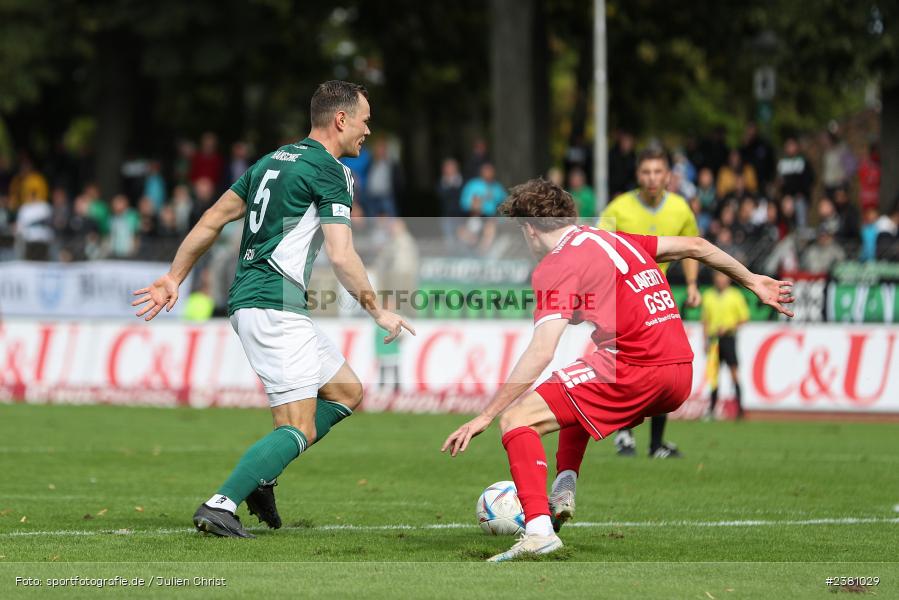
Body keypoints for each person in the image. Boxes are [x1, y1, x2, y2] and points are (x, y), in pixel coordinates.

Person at [441, 178, 794, 561]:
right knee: (573, 385)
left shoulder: (556, 265)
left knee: (517, 420)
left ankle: (539, 532)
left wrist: (485, 415)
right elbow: (696, 246)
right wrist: (753, 281)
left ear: (528, 229)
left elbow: (542, 350)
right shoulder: (612, 239)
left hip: (635, 366)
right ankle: (564, 481)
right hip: (679, 371)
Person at [132, 80, 414, 538]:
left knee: (346, 391)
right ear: (341, 119)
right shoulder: (332, 172)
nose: (368, 129)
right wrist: (378, 310)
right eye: (364, 120)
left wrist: (174, 276)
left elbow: (213, 218)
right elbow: (342, 256)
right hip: (273, 304)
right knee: (297, 426)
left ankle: (261, 476)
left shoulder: (270, 162)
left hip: (260, 300)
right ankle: (222, 503)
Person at [597, 147, 701, 459]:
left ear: (668, 175)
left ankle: (656, 444)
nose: (652, 178)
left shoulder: (680, 208)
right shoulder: (619, 207)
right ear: (638, 175)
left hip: (659, 298)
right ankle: (625, 434)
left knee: (665, 366)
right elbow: (598, 248)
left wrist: (693, 284)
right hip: (624, 299)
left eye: (658, 172)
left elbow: (691, 247)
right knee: (628, 366)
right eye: (646, 172)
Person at [701, 271, 750, 420]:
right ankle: (712, 410)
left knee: (734, 372)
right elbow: (705, 320)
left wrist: (728, 327)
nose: (720, 281)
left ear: (728, 280)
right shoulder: (708, 295)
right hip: (714, 340)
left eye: (723, 278)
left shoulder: (735, 295)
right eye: (718, 278)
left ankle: (740, 409)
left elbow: (744, 318)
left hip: (729, 338)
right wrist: (705, 340)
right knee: (714, 375)